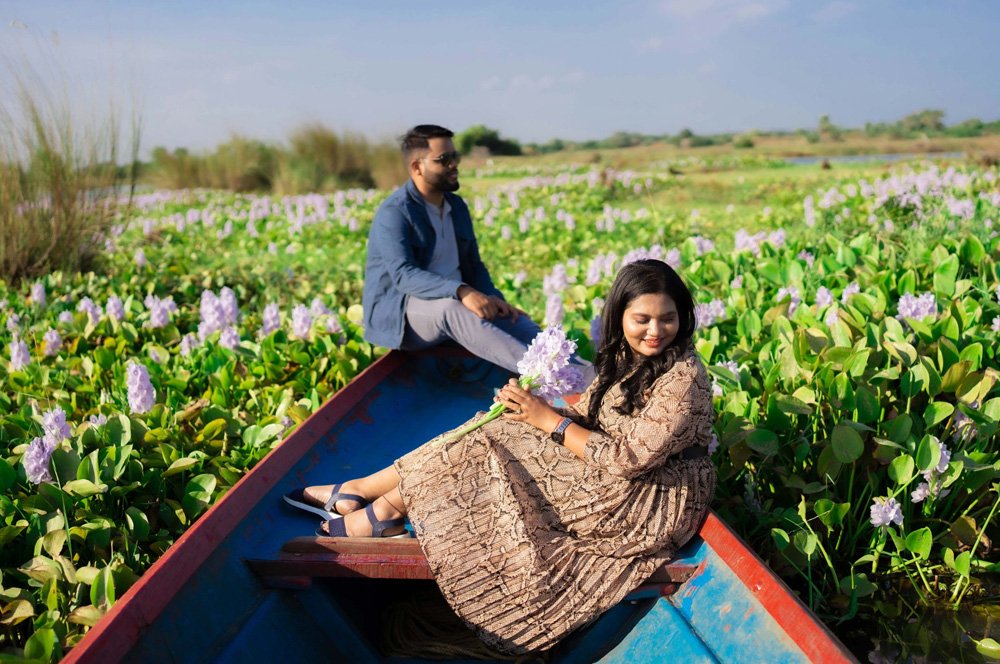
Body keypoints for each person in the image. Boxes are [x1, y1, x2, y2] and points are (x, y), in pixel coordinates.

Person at [285, 259, 716, 654]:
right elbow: (586, 415)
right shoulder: (625, 356)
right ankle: (372, 501)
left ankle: (376, 508)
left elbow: (628, 458)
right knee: (491, 426)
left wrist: (548, 421)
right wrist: (527, 409)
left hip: (646, 500)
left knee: (487, 444)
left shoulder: (686, 375)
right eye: (642, 319)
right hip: (613, 473)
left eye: (667, 318)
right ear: (620, 315)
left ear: (683, 318)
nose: (655, 330)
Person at [361, 124, 544, 374]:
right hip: (405, 315)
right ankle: (542, 373)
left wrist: (494, 299)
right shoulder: (394, 212)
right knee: (450, 309)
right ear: (417, 167)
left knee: (518, 323)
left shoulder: (456, 206)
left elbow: (473, 265)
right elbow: (404, 275)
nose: (453, 165)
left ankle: (586, 377)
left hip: (458, 305)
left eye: (455, 156)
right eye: (443, 159)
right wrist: (461, 291)